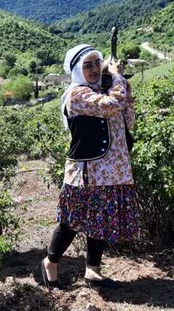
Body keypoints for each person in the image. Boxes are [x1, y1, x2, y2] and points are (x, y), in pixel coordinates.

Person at [40, 44, 137, 290]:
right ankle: (50, 261)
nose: (94, 69)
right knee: (73, 220)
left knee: (102, 219)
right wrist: (115, 77)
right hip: (88, 170)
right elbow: (112, 106)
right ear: (76, 70)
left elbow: (129, 119)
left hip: (113, 167)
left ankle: (93, 270)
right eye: (87, 65)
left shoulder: (103, 89)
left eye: (97, 63)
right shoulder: (76, 94)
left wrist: (117, 82)